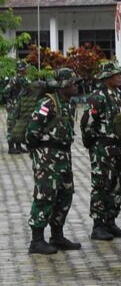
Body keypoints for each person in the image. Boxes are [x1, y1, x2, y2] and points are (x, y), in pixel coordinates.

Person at [26, 68, 81, 255]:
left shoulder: (68, 104)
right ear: (63, 86)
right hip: (48, 157)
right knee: (45, 196)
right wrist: (41, 152)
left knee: (65, 195)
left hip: (64, 157)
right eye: (73, 83)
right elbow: (32, 131)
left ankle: (57, 236)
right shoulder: (47, 103)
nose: (76, 86)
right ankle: (36, 241)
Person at [81, 60, 121, 241]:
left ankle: (110, 220)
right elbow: (87, 124)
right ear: (107, 77)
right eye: (117, 74)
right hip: (102, 148)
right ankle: (98, 225)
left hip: (118, 147)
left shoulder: (119, 95)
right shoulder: (97, 97)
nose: (120, 77)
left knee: (120, 184)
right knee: (102, 185)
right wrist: (95, 144)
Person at [4, 60, 30, 154]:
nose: (27, 69)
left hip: (21, 106)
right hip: (14, 106)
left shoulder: (24, 79)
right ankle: (11, 147)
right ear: (22, 69)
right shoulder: (15, 79)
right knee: (12, 125)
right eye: (25, 68)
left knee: (20, 125)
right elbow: (6, 91)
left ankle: (18, 146)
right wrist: (8, 102)